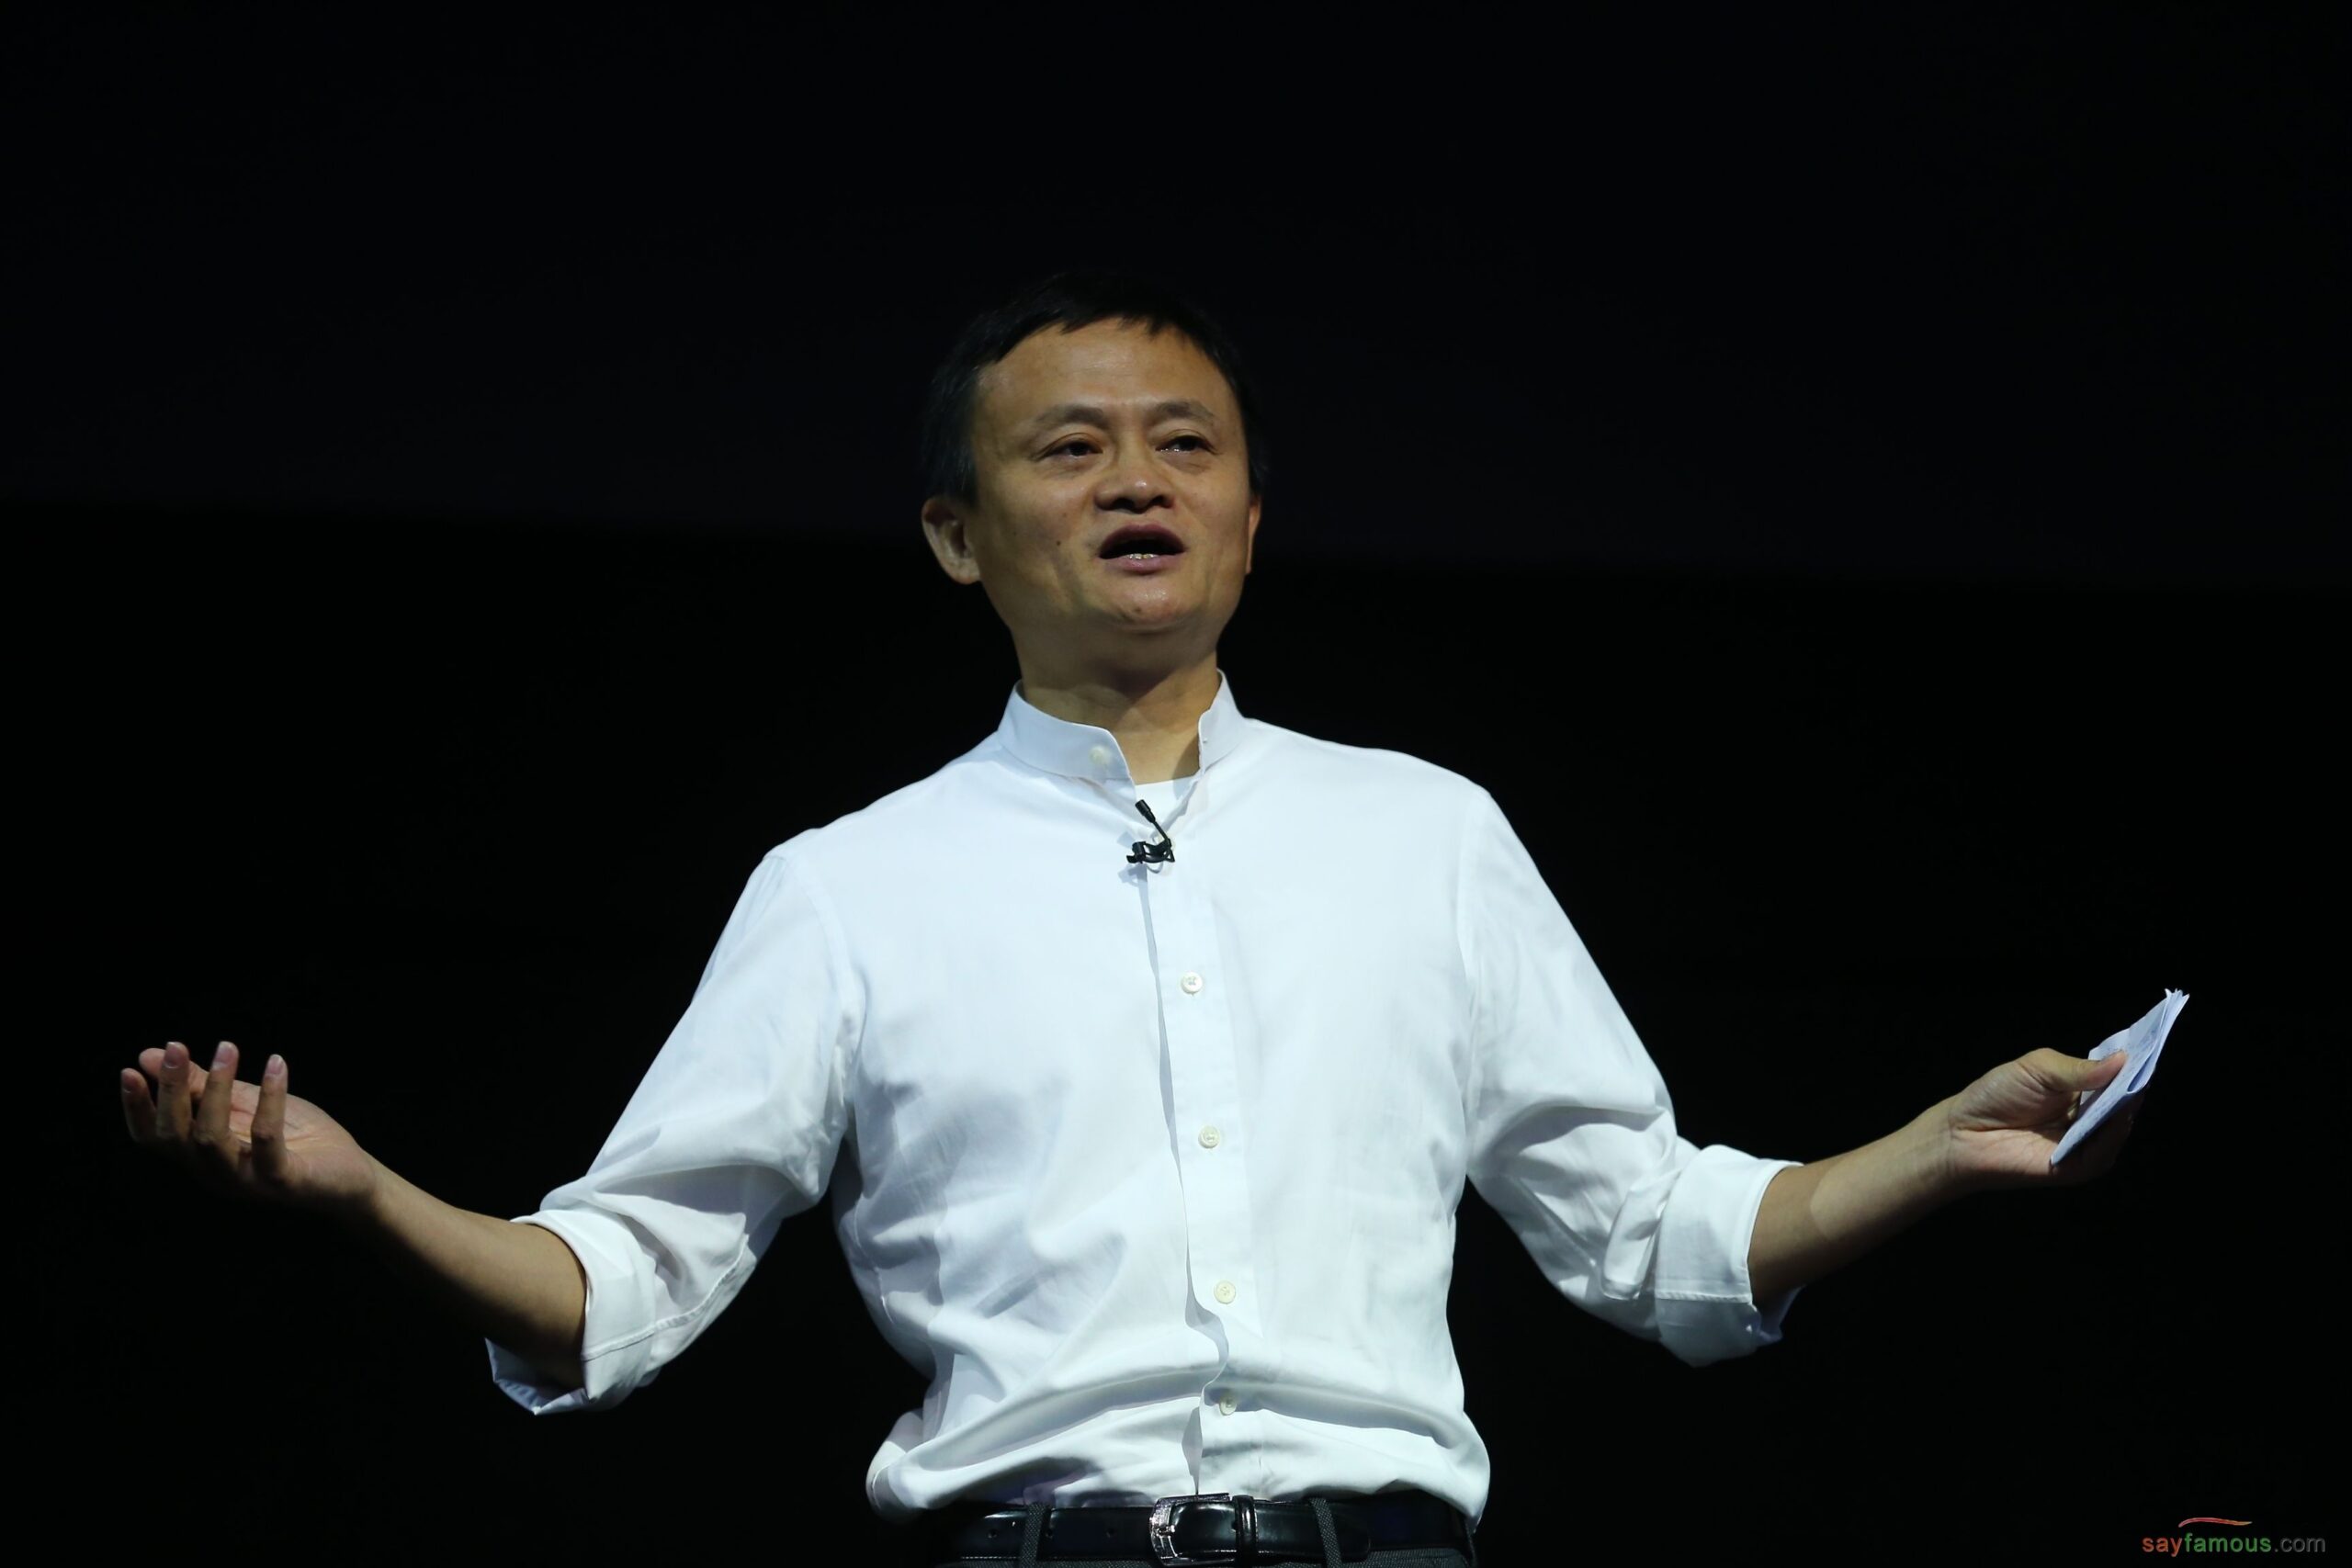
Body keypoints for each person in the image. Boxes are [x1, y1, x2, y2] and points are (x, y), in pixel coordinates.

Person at [119, 270, 2142, 1567]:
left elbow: (1653, 1234)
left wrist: (1929, 1148)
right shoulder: (848, 886)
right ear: (955, 533)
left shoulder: (1423, 834)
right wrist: (367, 1194)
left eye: (1185, 444)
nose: (1134, 479)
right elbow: (617, 1283)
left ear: (1250, 523)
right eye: (1068, 448)